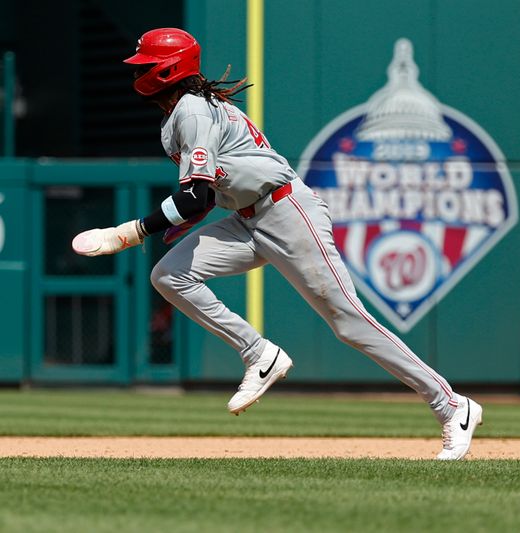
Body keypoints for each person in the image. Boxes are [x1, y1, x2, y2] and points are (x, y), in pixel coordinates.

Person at [71, 28, 482, 460]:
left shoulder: (192, 111)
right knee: (170, 275)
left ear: (167, 69)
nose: (139, 72)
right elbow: (207, 194)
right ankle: (259, 353)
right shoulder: (183, 113)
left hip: (287, 212)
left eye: (145, 64)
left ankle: (452, 405)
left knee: (349, 322)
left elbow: (195, 198)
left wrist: (128, 233)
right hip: (246, 218)